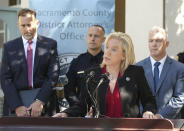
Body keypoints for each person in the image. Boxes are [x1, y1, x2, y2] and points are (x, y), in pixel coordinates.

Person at [53, 32, 156, 118]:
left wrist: (148, 111)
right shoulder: (92, 74)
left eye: (114, 49)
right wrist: (66, 113)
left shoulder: (136, 73)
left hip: (128, 127)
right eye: (107, 47)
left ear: (124, 55)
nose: (107, 52)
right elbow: (82, 105)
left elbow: (148, 100)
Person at [0, 8, 59, 117]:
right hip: (16, 103)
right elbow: (5, 78)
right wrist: (17, 106)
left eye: (29, 25)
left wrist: (40, 101)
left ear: (37, 23)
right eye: (23, 25)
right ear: (18, 25)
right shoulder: (9, 47)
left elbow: (52, 76)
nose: (27, 29)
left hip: (43, 102)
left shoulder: (50, 45)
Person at [137, 26, 184, 119]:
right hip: (144, 122)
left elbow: (180, 98)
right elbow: (135, 97)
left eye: (158, 41)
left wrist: (161, 115)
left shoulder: (180, 68)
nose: (154, 44)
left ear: (166, 44)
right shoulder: (138, 67)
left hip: (170, 123)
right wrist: (146, 112)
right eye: (151, 41)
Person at [64, 25, 105, 107]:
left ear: (103, 39)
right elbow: (69, 90)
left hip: (104, 111)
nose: (92, 39)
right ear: (86, 37)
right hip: (81, 113)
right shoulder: (77, 62)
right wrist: (79, 107)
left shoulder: (109, 61)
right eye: (90, 35)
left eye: (96, 36)